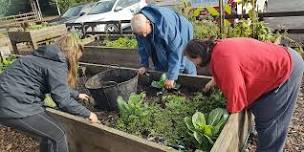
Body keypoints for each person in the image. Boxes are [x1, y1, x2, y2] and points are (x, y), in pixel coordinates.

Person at [184, 38, 304, 152]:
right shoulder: (217, 47)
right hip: (278, 59)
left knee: (271, 123)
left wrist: (228, 118)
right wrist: (213, 81)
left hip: (286, 68)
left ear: (198, 56)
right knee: (260, 110)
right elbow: (233, 65)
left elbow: (236, 98)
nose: (193, 64)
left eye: (192, 60)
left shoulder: (222, 58)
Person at [0, 33, 99, 152]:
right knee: (58, 134)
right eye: (76, 59)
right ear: (72, 54)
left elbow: (56, 86)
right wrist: (88, 114)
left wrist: (77, 94)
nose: (76, 62)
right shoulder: (58, 64)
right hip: (15, 105)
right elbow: (63, 101)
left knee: (49, 134)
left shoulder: (45, 57)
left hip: (10, 99)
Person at [131, 5, 197, 89]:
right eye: (141, 34)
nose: (144, 35)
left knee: (184, 57)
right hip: (157, 29)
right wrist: (144, 65)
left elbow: (175, 50)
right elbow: (142, 47)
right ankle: (167, 82)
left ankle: (193, 84)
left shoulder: (165, 24)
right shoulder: (139, 28)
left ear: (148, 22)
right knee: (159, 58)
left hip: (181, 30)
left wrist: (171, 77)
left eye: (145, 32)